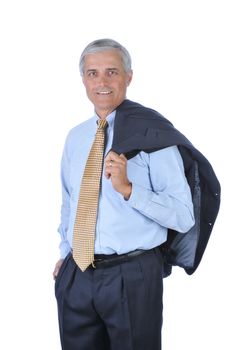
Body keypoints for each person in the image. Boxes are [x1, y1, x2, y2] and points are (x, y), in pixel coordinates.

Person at [53, 38, 196, 350]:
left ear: (129, 77)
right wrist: (66, 253)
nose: (101, 82)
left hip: (132, 275)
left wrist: (130, 190)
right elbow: (70, 202)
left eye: (111, 72)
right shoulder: (76, 137)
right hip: (77, 275)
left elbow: (184, 216)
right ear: (83, 80)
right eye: (92, 73)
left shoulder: (152, 136)